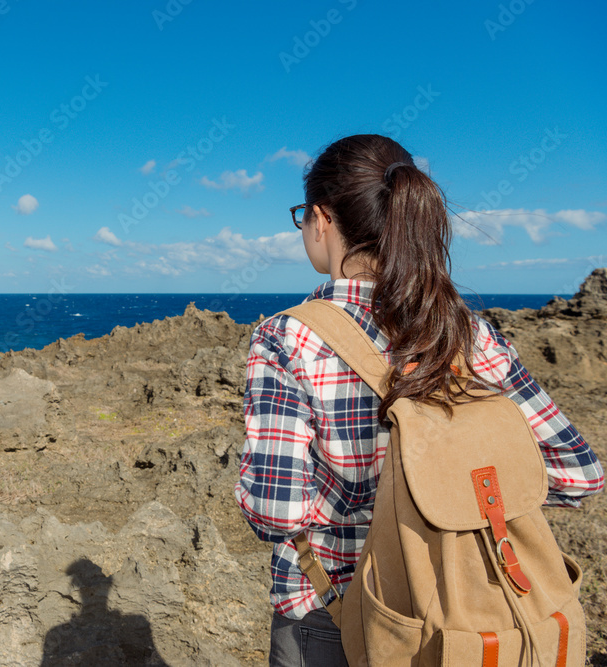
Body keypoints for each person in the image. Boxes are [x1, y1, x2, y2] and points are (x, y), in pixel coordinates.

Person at [233, 134, 605, 666]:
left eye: (302, 219)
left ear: (320, 219)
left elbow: (276, 512)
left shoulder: (288, 337)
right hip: (462, 615)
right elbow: (579, 474)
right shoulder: (468, 334)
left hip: (332, 615)